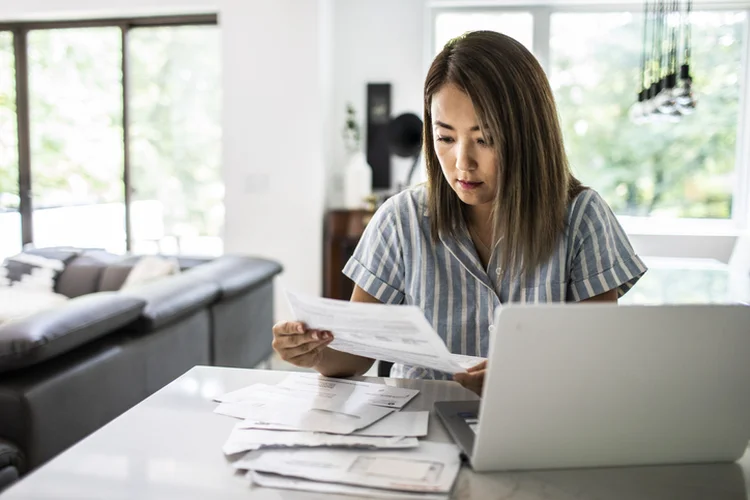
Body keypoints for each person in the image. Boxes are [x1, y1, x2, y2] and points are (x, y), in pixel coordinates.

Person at [272, 30, 647, 395]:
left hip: (538, 427)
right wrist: (315, 352)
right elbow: (354, 355)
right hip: (416, 434)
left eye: (485, 140)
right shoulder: (401, 219)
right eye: (445, 138)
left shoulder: (582, 218)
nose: (461, 162)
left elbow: (599, 360)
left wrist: (523, 377)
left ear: (529, 136)